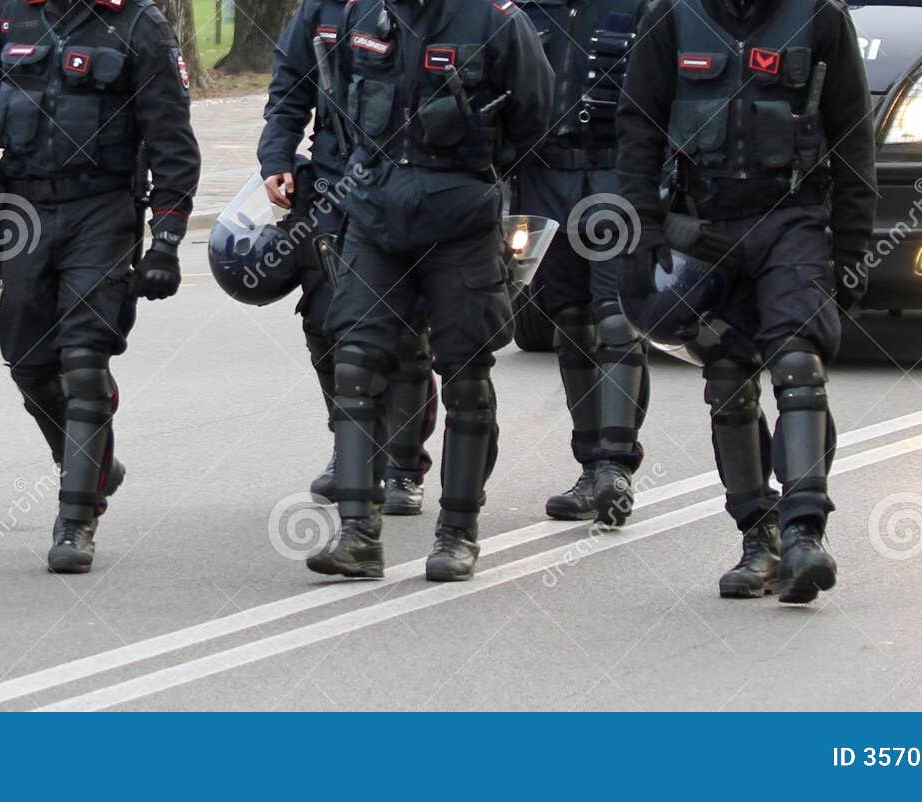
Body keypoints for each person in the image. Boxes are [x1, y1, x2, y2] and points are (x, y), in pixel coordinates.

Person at [617, 0, 876, 603]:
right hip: (704, 226)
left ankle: (805, 532)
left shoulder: (821, 18)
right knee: (729, 381)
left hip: (791, 220)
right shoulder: (671, 18)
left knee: (797, 363)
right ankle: (758, 538)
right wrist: (641, 230)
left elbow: (852, 138)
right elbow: (638, 128)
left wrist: (855, 247)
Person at [0, 0, 201, 574]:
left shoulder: (139, 25)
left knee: (83, 360)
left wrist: (167, 240)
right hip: (23, 210)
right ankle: (94, 459)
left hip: (101, 210)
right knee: (28, 361)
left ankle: (76, 518)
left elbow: (171, 140)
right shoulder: (9, 16)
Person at [303, 0, 551, 583]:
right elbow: (338, 103)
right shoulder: (361, 14)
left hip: (460, 222)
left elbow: (534, 118)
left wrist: (473, 180)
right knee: (356, 365)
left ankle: (458, 534)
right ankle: (359, 534)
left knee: (465, 373)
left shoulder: (496, 20)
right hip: (374, 216)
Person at [257, 0, 439, 516]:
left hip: (407, 179)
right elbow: (288, 91)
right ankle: (351, 449)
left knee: (403, 329)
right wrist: (276, 159)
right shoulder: (320, 10)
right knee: (325, 320)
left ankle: (404, 464)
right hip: (334, 181)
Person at [513, 0, 648, 527]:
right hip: (546, 179)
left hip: (615, 175)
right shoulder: (526, 11)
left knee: (616, 318)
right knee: (569, 321)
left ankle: (616, 464)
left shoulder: (640, 8)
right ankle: (590, 465)